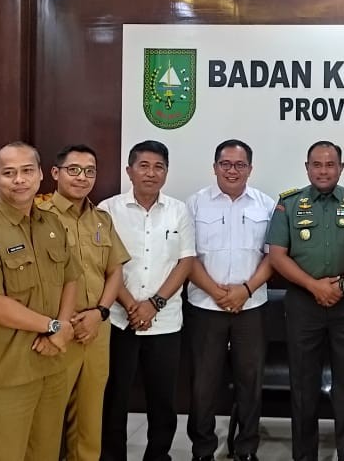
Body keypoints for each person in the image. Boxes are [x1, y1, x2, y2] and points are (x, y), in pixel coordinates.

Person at [0, 141, 80, 460]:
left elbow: (70, 278)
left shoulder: (52, 224)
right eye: (9, 173)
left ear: (40, 175)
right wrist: (54, 327)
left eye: (27, 171)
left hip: (52, 364)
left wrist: (62, 328)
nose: (19, 179)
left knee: (45, 454)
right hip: (7, 372)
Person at [265, 140, 344, 461]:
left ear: (341, 168)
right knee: (303, 386)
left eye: (330, 165)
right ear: (307, 168)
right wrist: (313, 286)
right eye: (317, 164)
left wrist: (342, 285)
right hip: (303, 304)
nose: (323, 171)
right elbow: (277, 255)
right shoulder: (289, 204)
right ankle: (305, 456)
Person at [99, 140, 195, 461]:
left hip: (164, 321)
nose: (151, 173)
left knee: (163, 399)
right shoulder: (107, 210)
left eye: (158, 167)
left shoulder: (179, 210)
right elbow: (104, 265)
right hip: (118, 319)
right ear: (129, 171)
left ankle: (158, 455)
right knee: (114, 396)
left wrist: (154, 304)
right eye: (144, 166)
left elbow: (185, 262)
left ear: (166, 172)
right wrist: (130, 305)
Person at [36, 144, 130, 461]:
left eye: (90, 171)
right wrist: (63, 323)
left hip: (96, 330)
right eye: (74, 170)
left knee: (90, 418)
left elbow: (115, 270)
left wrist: (100, 313)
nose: (82, 177)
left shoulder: (101, 219)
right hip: (57, 330)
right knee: (47, 418)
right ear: (55, 173)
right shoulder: (38, 217)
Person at [185, 139, 276, 461]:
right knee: (203, 384)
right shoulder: (195, 204)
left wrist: (245, 291)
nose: (232, 170)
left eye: (240, 165)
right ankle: (202, 449)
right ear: (215, 167)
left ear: (250, 168)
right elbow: (187, 256)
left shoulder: (266, 205)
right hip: (204, 307)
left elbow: (273, 257)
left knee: (250, 382)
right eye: (225, 164)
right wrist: (215, 291)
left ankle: (246, 447)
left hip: (251, 307)